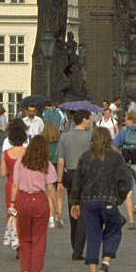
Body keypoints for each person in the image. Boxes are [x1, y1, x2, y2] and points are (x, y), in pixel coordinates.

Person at [69, 127, 132, 272]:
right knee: (113, 230)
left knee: (93, 235)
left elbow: (77, 182)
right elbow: (125, 182)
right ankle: (105, 264)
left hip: (88, 202)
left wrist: (75, 202)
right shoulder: (115, 158)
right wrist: (119, 198)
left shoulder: (85, 157)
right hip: (108, 200)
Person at [10, 136, 58, 272]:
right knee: (39, 238)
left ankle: (25, 269)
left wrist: (12, 203)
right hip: (39, 200)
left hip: (23, 199)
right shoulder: (47, 165)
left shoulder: (20, 163)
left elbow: (15, 184)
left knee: (24, 237)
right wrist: (55, 207)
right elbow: (50, 187)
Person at [57, 110, 92, 260]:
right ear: (83, 120)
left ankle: (74, 244)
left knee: (73, 209)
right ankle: (78, 248)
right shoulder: (90, 136)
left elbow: (60, 160)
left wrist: (59, 180)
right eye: (89, 119)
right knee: (84, 211)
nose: (90, 122)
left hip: (70, 174)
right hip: (86, 175)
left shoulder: (64, 136)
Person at [0, 119, 28, 210]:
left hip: (11, 183)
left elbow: (3, 173)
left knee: (12, 213)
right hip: (27, 184)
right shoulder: (28, 152)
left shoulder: (5, 153)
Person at [41, 120, 62, 228]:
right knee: (58, 193)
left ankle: (50, 218)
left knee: (48, 194)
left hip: (46, 167)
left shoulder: (43, 144)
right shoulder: (58, 143)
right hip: (56, 167)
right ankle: (58, 215)